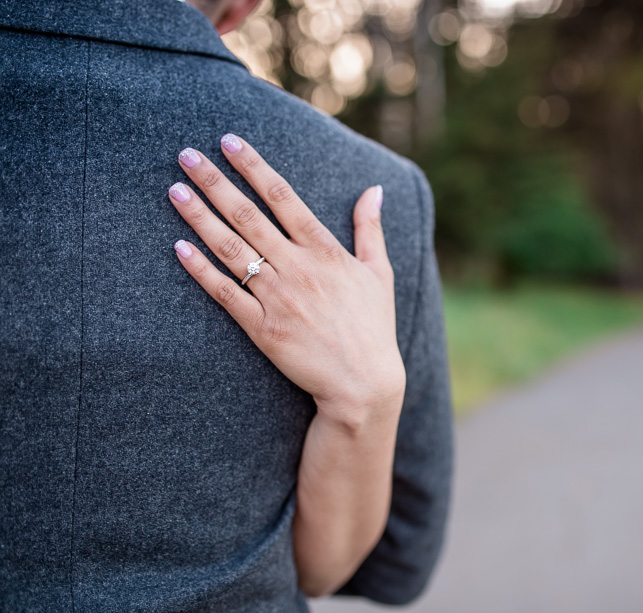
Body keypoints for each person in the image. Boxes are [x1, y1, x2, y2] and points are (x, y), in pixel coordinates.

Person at [0, 0, 454, 611]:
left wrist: (366, 396)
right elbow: (384, 564)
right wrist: (364, 402)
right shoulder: (364, 189)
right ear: (243, 7)